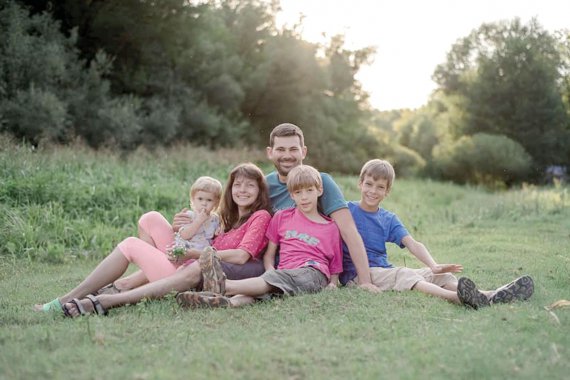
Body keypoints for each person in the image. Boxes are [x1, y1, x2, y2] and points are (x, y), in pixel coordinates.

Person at [35, 163, 272, 316]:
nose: (242, 190)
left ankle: (68, 299)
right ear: (230, 190)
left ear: (259, 191)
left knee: (130, 244)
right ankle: (130, 282)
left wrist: (191, 253)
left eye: (249, 186)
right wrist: (182, 227)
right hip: (187, 260)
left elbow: (241, 256)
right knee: (151, 218)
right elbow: (199, 236)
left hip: (191, 270)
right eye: (237, 185)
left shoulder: (259, 216)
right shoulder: (224, 218)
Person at [340, 158, 534, 309]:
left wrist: (433, 266)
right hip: (357, 275)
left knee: (441, 275)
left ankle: (489, 295)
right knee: (405, 273)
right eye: (369, 184)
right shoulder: (346, 210)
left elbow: (413, 244)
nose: (373, 191)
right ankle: (460, 299)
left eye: (380, 187)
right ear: (360, 183)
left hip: (383, 270)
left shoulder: (388, 218)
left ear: (387, 191)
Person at [176, 165, 342, 308]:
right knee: (265, 290)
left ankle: (224, 286)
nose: (304, 197)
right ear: (291, 195)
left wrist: (333, 283)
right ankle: (226, 302)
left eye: (309, 191)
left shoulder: (330, 227)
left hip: (313, 271)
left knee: (273, 281)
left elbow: (335, 262)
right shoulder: (282, 217)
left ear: (319, 190)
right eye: (298, 192)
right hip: (283, 272)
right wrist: (270, 269)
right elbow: (269, 254)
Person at [263, 123, 378, 292]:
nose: (287, 155)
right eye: (281, 149)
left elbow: (348, 231)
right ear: (270, 152)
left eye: (293, 149)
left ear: (304, 151)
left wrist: (365, 281)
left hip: (308, 267)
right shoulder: (264, 185)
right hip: (270, 263)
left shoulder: (320, 183)